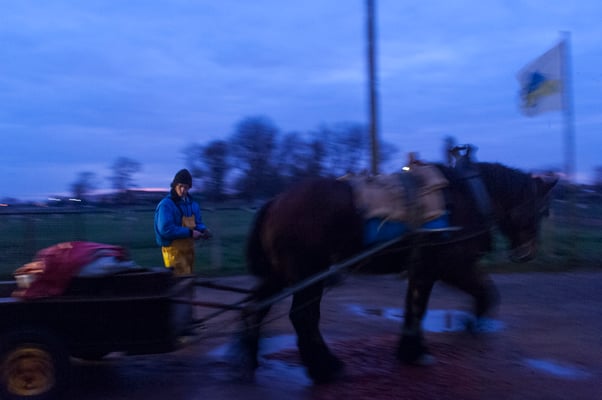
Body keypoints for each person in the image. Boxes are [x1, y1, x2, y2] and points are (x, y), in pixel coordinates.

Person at [154, 168, 211, 275]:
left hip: (189, 249)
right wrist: (190, 233)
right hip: (173, 251)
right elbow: (165, 229)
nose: (183, 190)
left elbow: (197, 223)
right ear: (174, 185)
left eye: (186, 187)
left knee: (188, 279)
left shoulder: (193, 204)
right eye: (180, 186)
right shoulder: (166, 205)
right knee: (178, 281)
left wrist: (203, 230)